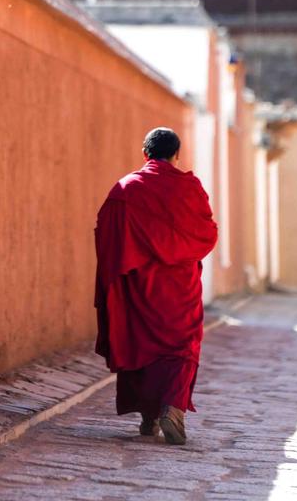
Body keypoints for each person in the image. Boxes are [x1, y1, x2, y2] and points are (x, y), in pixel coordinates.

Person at [94, 127, 218, 445]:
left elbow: (107, 237)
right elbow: (207, 232)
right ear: (177, 155)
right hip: (180, 286)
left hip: (139, 287)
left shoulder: (125, 189)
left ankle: (149, 415)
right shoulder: (190, 188)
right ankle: (172, 407)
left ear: (145, 154)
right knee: (181, 345)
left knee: (141, 344)